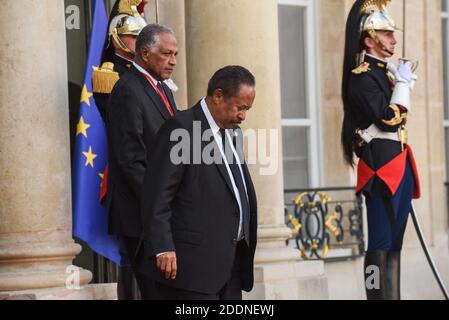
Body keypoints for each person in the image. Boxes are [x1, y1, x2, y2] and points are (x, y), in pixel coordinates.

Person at [138, 66, 258, 300]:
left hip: (230, 267)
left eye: (247, 109)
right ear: (218, 96)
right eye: (240, 107)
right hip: (191, 271)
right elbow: (157, 195)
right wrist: (163, 246)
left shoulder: (233, 132)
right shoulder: (181, 128)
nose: (243, 116)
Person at [341, 0, 421, 300]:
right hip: (381, 171)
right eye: (386, 34)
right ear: (369, 40)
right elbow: (388, 120)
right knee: (379, 245)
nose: (393, 39)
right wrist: (401, 88)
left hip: (398, 166)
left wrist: (399, 83)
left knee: (395, 246)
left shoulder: (384, 75)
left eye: (391, 34)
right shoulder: (363, 77)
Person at [106, 23, 179, 299]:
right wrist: (163, 199)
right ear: (145, 53)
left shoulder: (163, 89)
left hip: (160, 213)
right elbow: (131, 160)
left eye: (175, 54)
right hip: (141, 215)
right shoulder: (127, 90)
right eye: (166, 54)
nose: (172, 61)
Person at [91, 0, 147, 301]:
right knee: (131, 257)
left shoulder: (143, 76)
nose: (138, 43)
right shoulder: (111, 74)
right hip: (127, 177)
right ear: (117, 37)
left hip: (147, 175)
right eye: (133, 37)